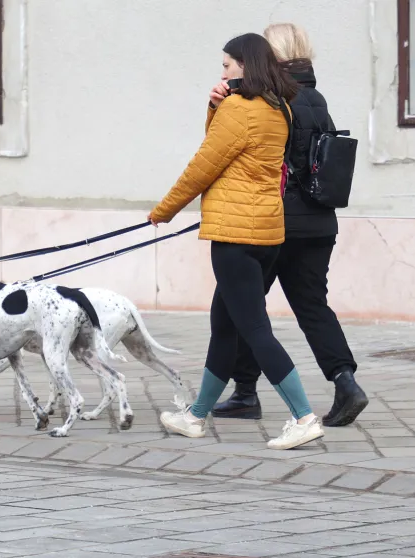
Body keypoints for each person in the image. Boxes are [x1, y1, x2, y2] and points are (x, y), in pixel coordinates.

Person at [148, 33, 324, 450]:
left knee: (253, 329)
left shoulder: (239, 109)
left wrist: (163, 210)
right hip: (266, 233)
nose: (222, 72)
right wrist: (215, 106)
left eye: (227, 65)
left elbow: (204, 164)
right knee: (224, 327)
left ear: (244, 65)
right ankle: (194, 416)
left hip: (234, 235)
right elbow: (229, 150)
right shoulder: (277, 107)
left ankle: (303, 417)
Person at [212, 23, 368, 427]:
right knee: (312, 306)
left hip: (274, 223)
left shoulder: (269, 100)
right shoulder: (317, 98)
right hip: (319, 223)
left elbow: (247, 159)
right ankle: (345, 382)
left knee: (244, 308)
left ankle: (246, 392)